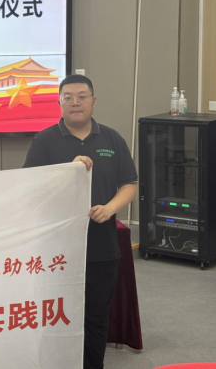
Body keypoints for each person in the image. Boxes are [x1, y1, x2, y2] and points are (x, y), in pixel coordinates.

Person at [22, 74, 138, 369]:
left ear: (93, 101)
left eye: (82, 97)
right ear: (59, 103)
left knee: (96, 317)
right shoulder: (44, 140)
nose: (76, 102)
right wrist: (67, 171)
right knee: (56, 315)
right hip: (56, 249)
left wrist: (110, 208)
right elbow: (29, 186)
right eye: (68, 97)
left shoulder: (112, 138)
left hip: (102, 246)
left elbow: (129, 184)